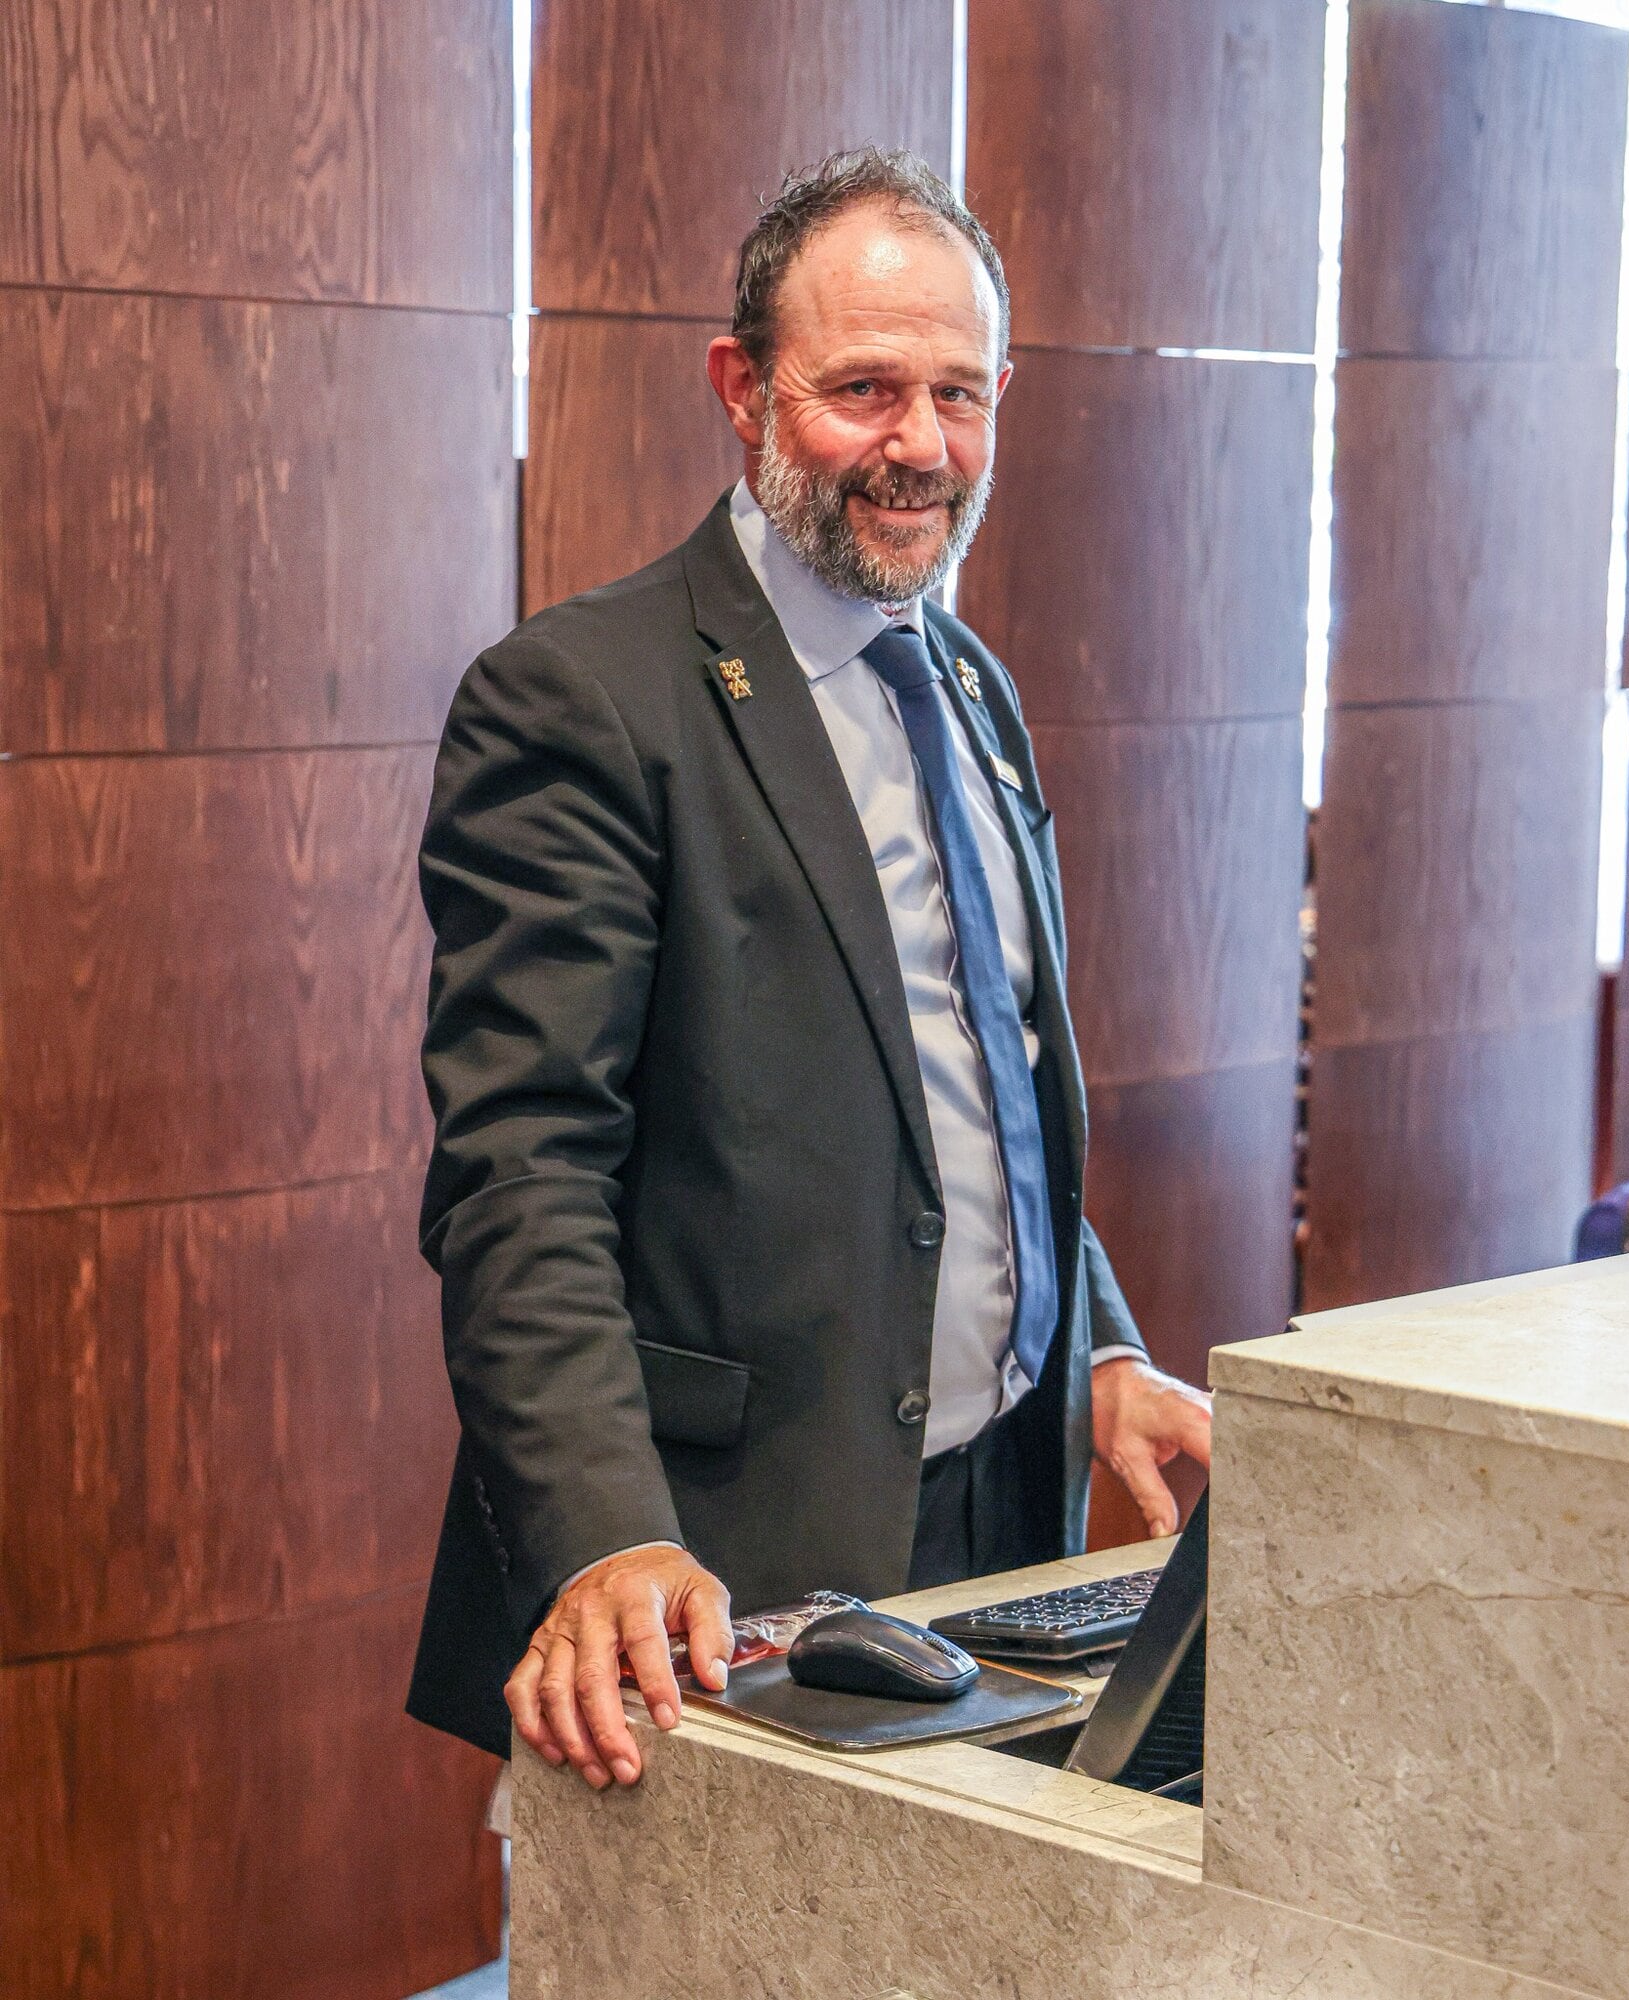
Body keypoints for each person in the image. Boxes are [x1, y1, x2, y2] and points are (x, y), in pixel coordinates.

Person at [407, 148, 1212, 1789]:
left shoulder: (970, 688)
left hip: (1002, 1520)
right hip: (714, 1569)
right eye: (863, 389)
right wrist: (602, 1538)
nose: (920, 446)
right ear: (743, 388)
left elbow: (980, 1077)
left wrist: (1099, 1349)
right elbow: (521, 1171)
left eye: (958, 393)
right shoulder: (583, 700)